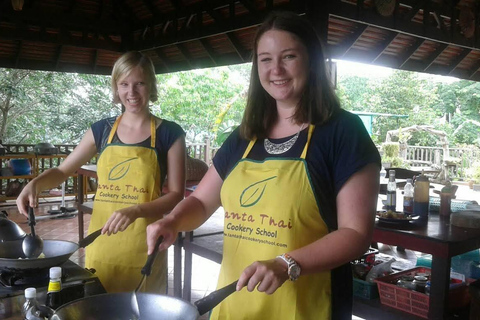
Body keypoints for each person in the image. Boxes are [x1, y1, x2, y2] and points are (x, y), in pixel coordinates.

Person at [146, 11, 380, 319]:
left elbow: (355, 234)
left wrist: (287, 264)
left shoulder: (343, 133)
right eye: (265, 59)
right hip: (236, 303)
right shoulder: (245, 136)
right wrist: (173, 220)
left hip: (307, 304)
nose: (276, 69)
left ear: (311, 60)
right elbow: (202, 202)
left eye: (289, 56)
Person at [16, 51, 186, 294]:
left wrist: (136, 209)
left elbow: (176, 194)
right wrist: (35, 184)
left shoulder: (170, 133)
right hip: (102, 244)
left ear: (151, 86)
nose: (132, 92)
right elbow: (64, 169)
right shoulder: (101, 130)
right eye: (124, 84)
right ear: (116, 88)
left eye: (139, 83)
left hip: (145, 246)